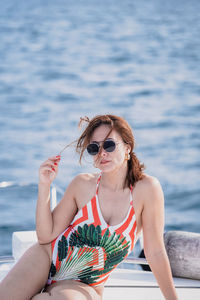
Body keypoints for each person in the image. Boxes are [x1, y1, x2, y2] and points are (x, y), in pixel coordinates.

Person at [0, 114, 178, 300]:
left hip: (84, 284)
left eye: (109, 145)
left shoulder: (147, 189)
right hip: (44, 259)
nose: (102, 152)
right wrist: (44, 186)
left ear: (127, 148)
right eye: (94, 148)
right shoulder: (82, 185)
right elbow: (45, 236)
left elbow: (155, 252)